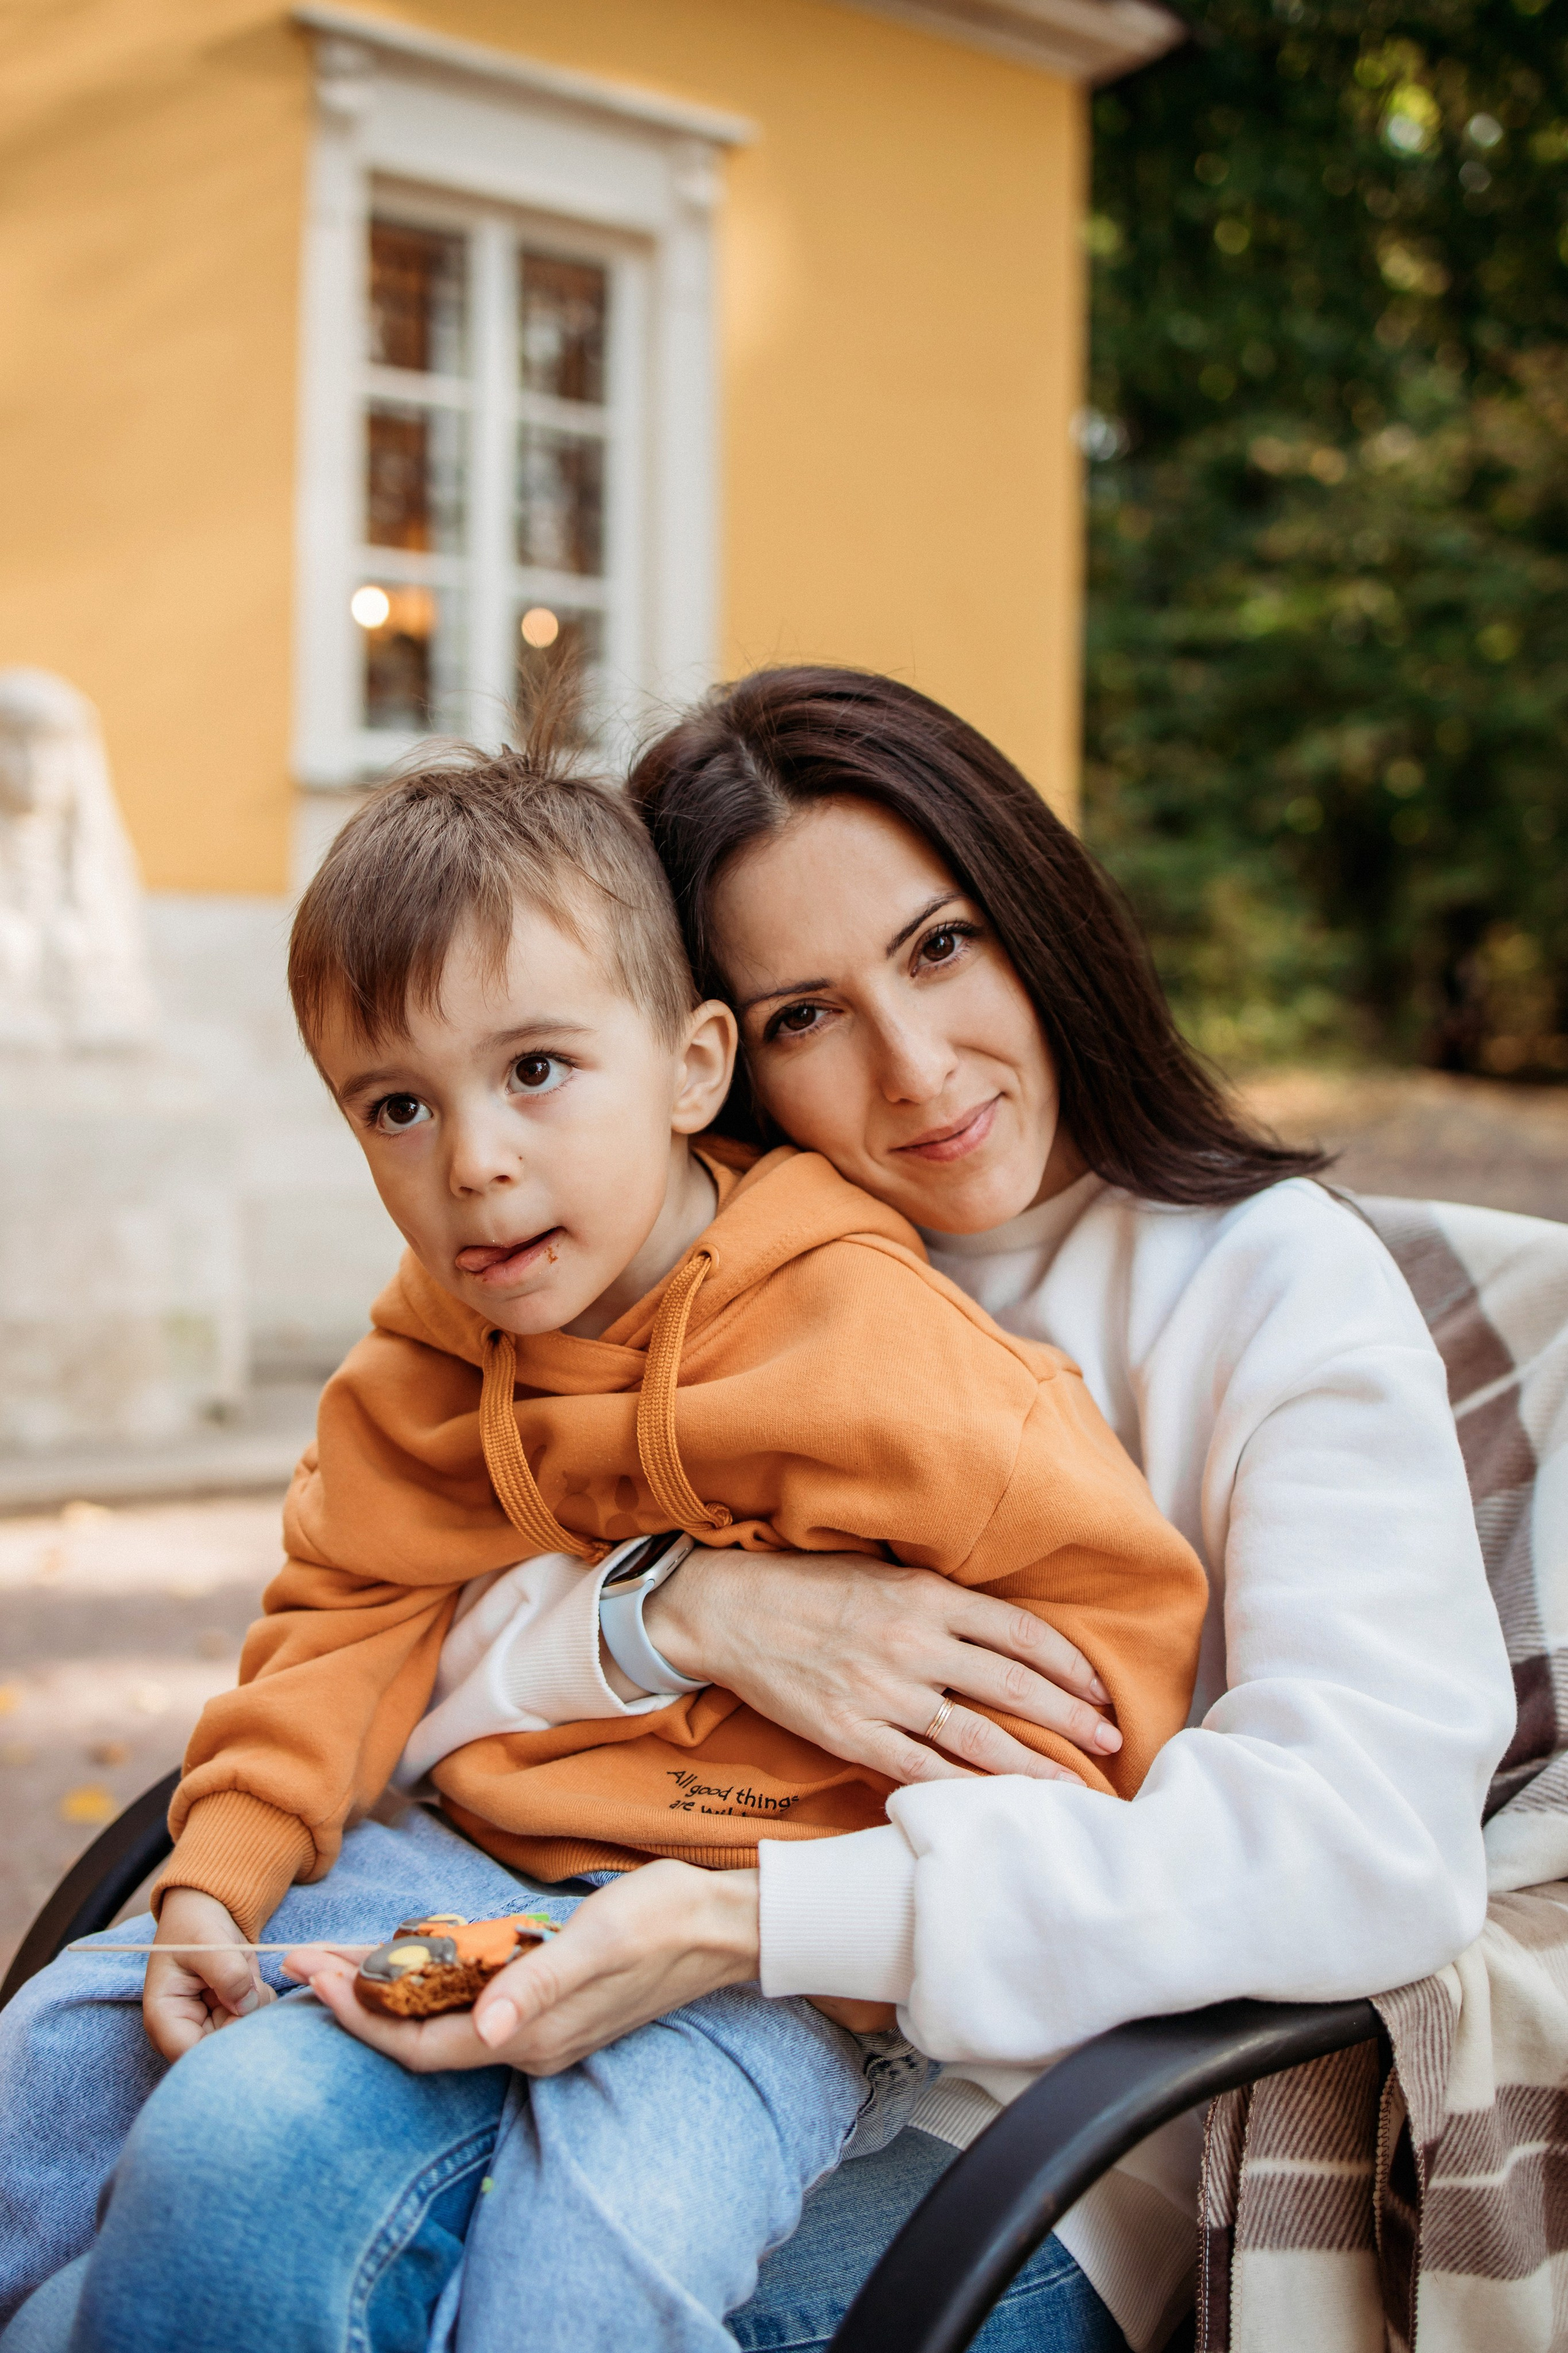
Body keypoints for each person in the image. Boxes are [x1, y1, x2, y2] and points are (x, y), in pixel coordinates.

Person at [0, 712, 1207, 2353]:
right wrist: (219, 1873)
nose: (474, 1164)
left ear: (696, 1067)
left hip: (757, 1958)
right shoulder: (429, 1355)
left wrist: (891, 1899)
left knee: (584, 2275)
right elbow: (345, 1610)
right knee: (60, 2046)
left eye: (535, 1072)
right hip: (463, 1864)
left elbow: (1112, 1647)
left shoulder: (883, 1349)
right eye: (396, 1108)